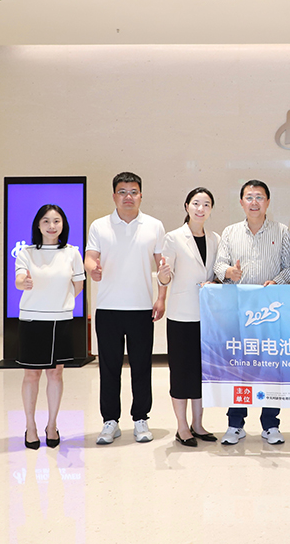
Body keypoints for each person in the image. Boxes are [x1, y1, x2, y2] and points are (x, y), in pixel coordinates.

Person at [213, 179, 290, 445]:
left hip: (270, 313)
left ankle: (270, 425)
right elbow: (219, 265)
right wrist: (229, 272)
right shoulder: (230, 232)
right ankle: (235, 424)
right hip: (238, 312)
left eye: (259, 197)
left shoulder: (281, 231)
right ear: (241, 202)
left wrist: (277, 283)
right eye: (249, 197)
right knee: (237, 366)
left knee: (270, 367)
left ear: (268, 202)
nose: (254, 202)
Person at [85, 172, 167, 445]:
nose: (128, 196)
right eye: (122, 192)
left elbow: (163, 266)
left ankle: (141, 419)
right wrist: (92, 269)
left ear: (141, 195)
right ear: (114, 196)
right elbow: (90, 257)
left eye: (133, 191)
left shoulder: (154, 226)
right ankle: (110, 421)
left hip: (141, 308)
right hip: (108, 308)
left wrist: (161, 297)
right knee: (109, 368)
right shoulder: (100, 226)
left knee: (141, 366)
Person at [14, 204, 86, 449]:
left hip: (60, 320)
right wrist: (23, 282)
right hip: (32, 320)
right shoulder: (26, 252)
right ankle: (31, 426)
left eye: (56, 221)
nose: (52, 226)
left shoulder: (72, 253)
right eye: (46, 221)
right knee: (31, 374)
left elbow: (78, 284)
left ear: (63, 224)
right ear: (38, 224)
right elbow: (19, 278)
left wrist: (61, 302)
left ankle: (52, 425)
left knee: (55, 373)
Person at [157, 187, 220, 447]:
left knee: (201, 372)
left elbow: (216, 273)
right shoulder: (173, 238)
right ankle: (182, 426)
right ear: (186, 206)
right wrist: (163, 276)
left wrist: (216, 281)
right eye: (195, 203)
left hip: (207, 316)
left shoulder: (215, 239)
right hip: (182, 316)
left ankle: (198, 424)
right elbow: (166, 276)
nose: (200, 208)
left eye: (206, 204)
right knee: (181, 372)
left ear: (211, 209)